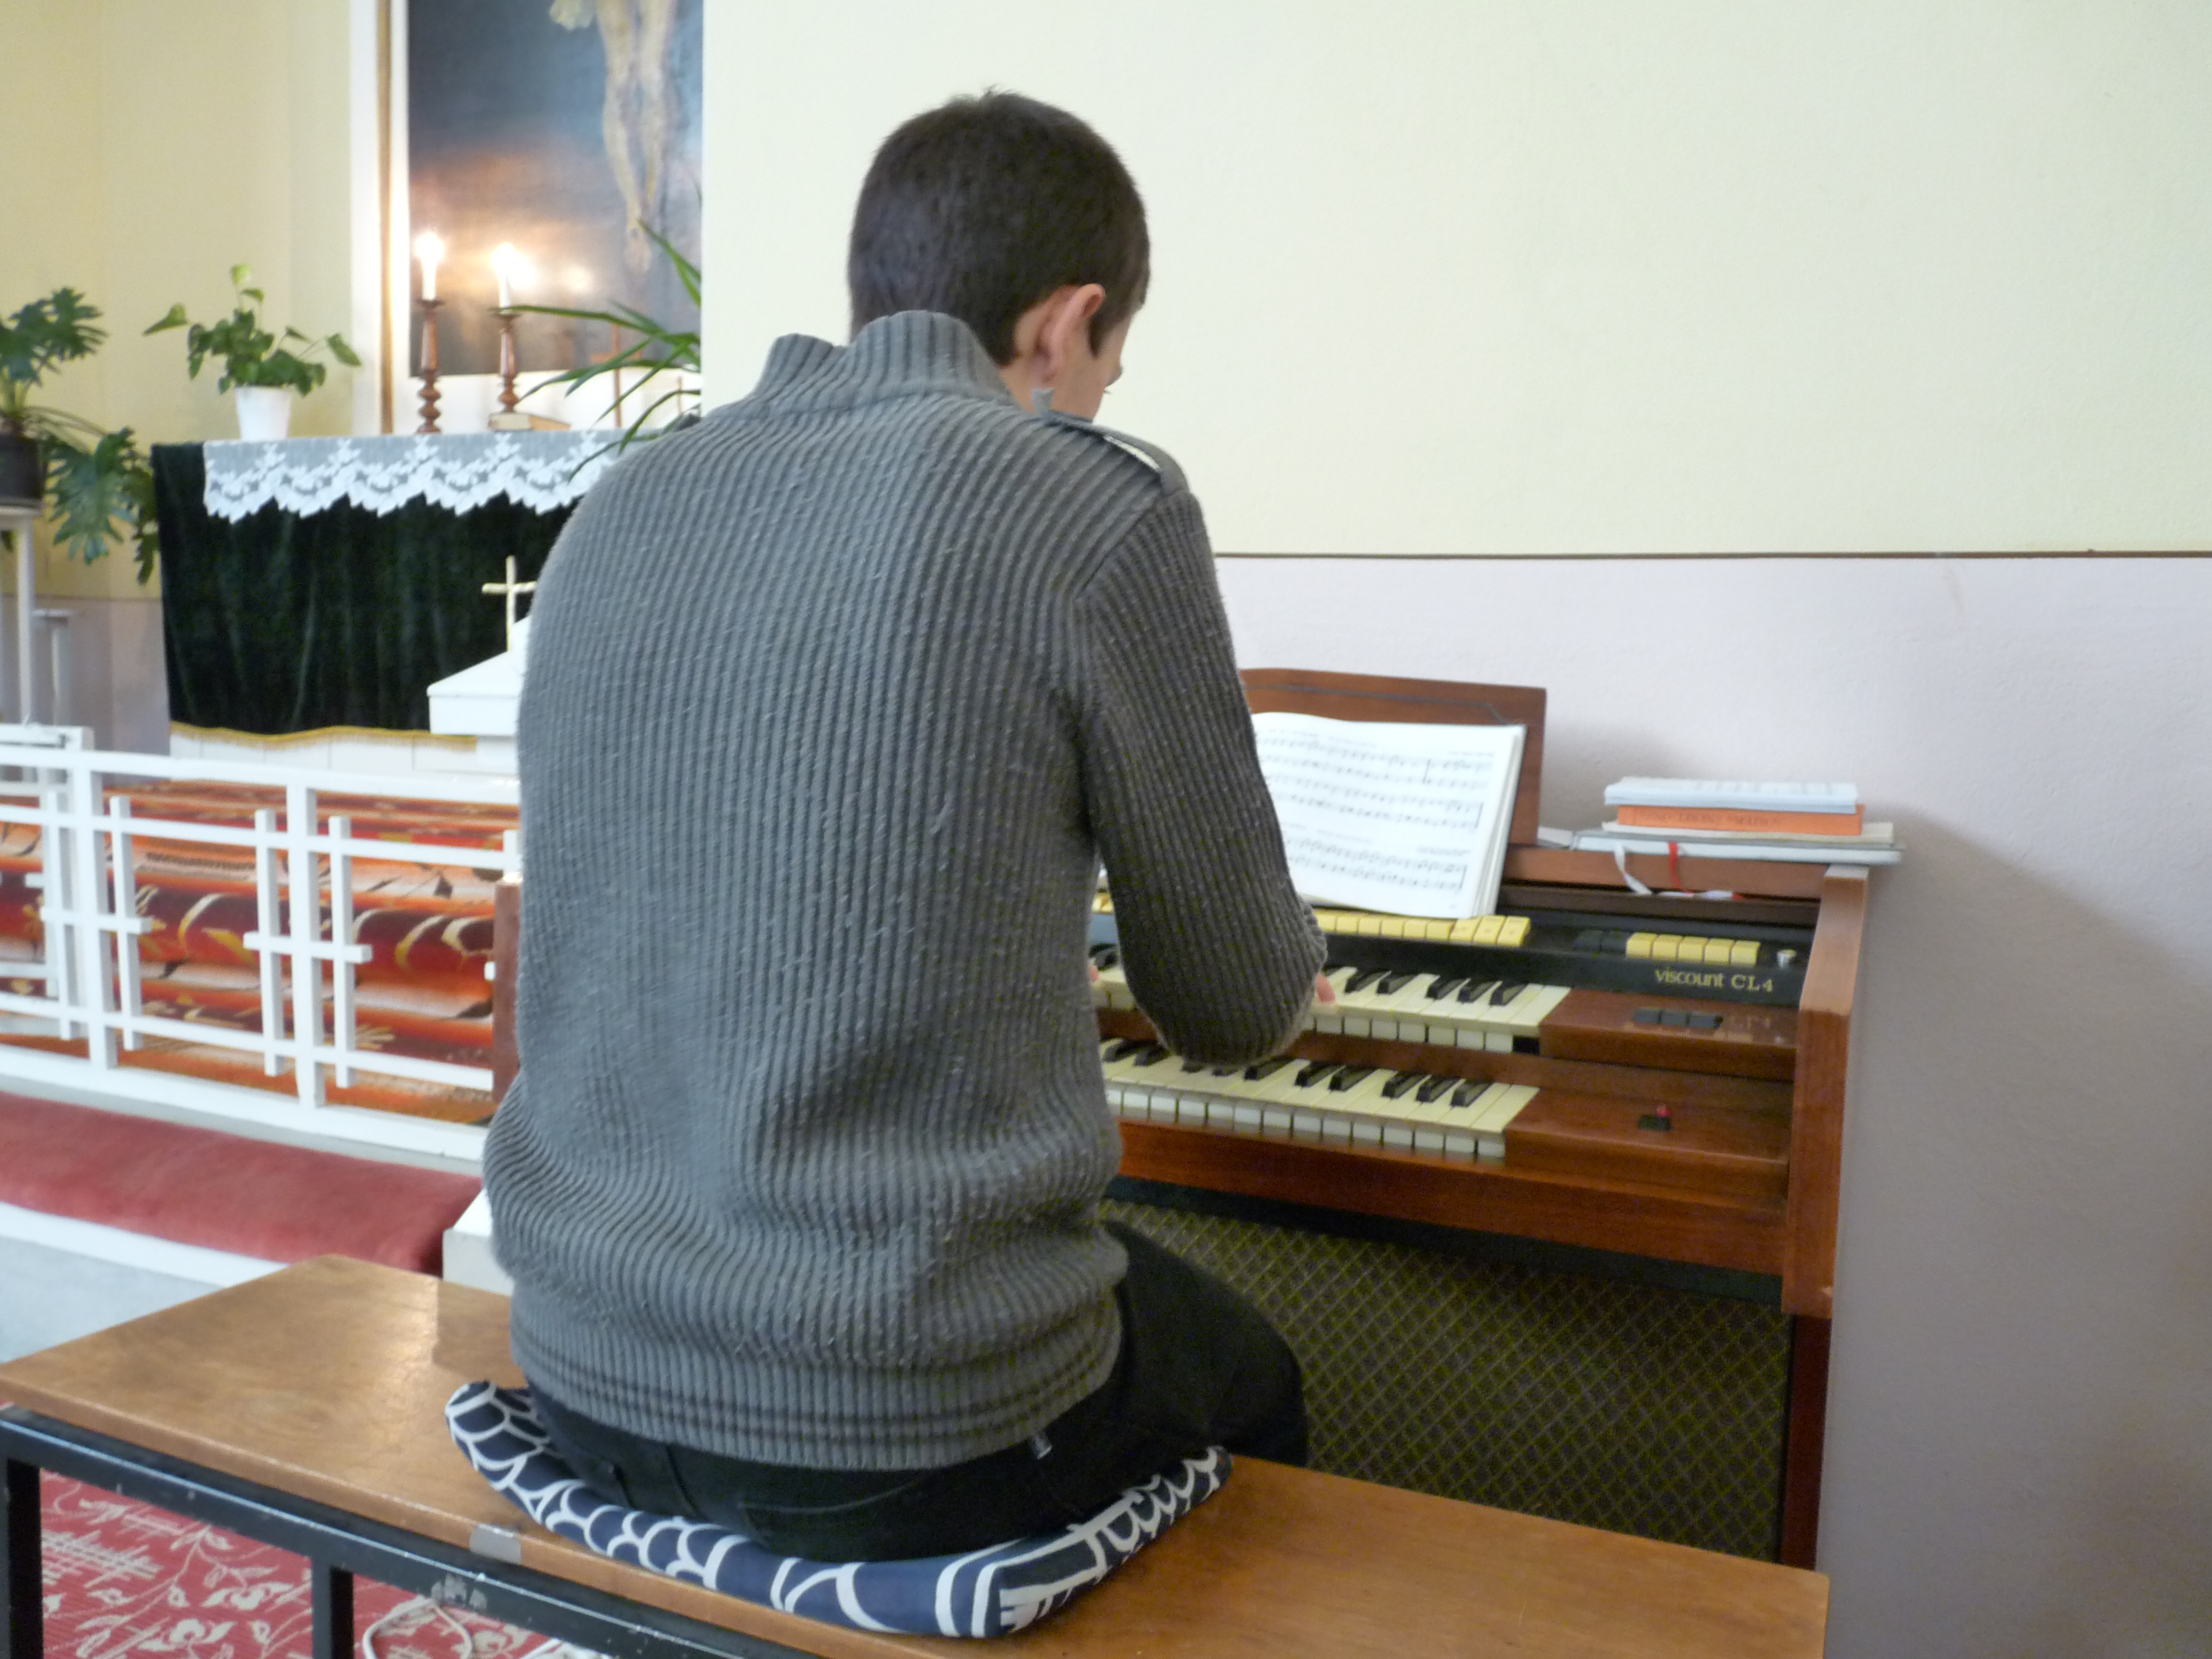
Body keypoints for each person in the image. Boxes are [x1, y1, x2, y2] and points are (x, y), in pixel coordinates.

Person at [484, 91, 1326, 1562]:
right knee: (1258, 1380)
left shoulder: (625, 502)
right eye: (1110, 364)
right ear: (1066, 326)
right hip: (904, 1421)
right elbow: (1234, 1008)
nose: (1101, 397)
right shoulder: (1092, 504)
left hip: (582, 1359)